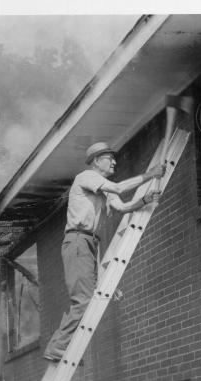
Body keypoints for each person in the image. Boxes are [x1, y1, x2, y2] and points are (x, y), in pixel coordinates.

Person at [43, 141, 165, 361]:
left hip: (89, 243)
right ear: (96, 161)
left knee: (87, 299)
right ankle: (58, 347)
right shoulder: (86, 177)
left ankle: (59, 346)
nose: (114, 162)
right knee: (83, 300)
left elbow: (122, 206)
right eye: (110, 158)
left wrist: (145, 200)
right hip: (78, 240)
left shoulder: (102, 186)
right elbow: (118, 189)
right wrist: (151, 174)